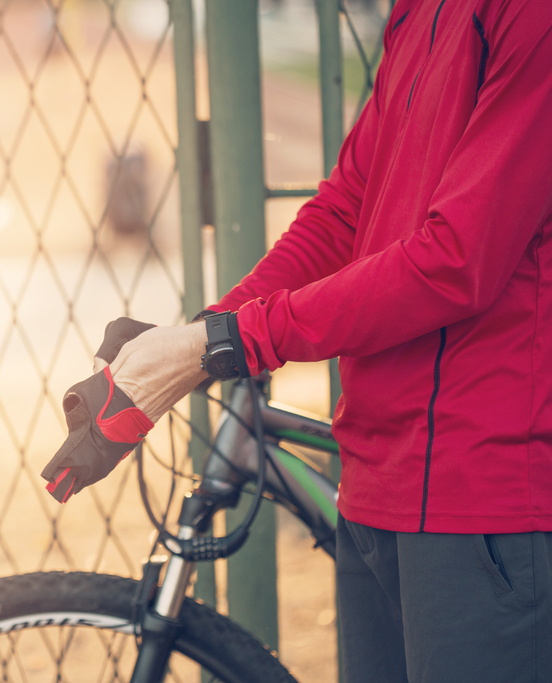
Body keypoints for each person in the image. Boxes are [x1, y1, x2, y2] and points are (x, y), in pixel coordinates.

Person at [78, 1, 552, 681]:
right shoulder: (418, 11)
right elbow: (345, 206)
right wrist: (204, 335)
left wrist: (231, 340)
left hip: (480, 498)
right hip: (375, 479)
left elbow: (457, 259)